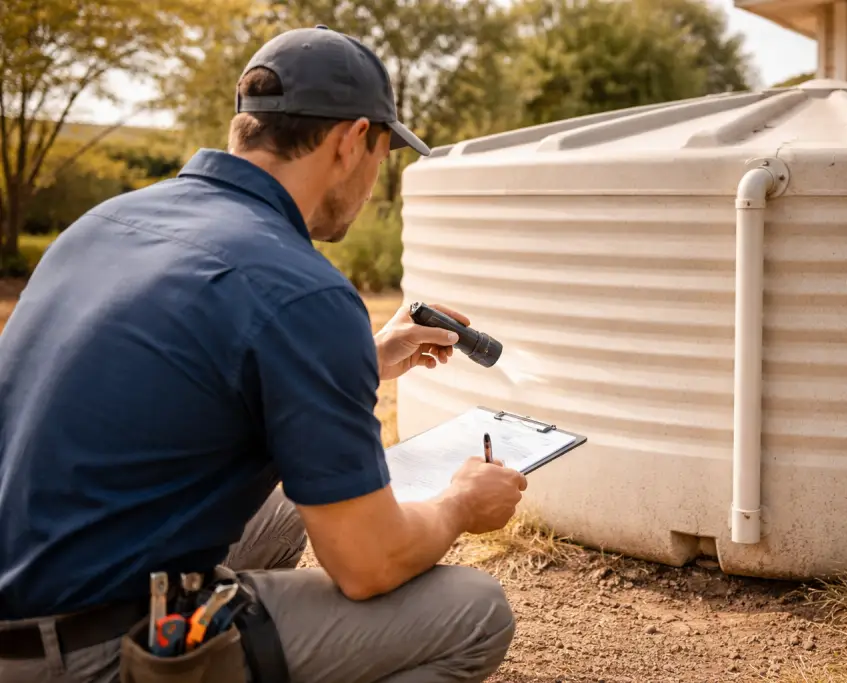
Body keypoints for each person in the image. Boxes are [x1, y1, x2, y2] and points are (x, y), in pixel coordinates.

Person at [0, 25, 528, 683]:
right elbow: (368, 563)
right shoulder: (301, 289)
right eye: (383, 153)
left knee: (281, 512)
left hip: (23, 611)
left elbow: (195, 376)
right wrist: (460, 502)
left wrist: (367, 357)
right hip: (89, 652)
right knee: (476, 613)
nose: (373, 178)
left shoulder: (106, 225)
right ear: (351, 140)